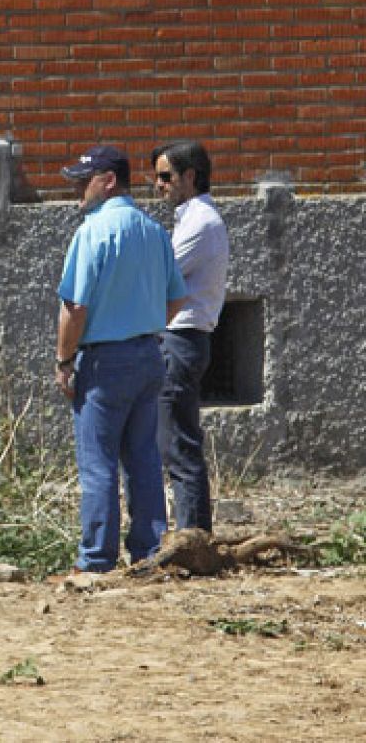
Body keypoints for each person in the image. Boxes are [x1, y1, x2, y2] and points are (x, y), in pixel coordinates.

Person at [54, 146, 187, 574]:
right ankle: (149, 553)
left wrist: (64, 360)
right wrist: (145, 324)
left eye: (84, 181)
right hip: (148, 354)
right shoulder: (153, 231)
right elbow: (177, 297)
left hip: (104, 361)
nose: (77, 189)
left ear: (108, 180)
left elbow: (75, 307)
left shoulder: (92, 232)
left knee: (98, 464)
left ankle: (96, 559)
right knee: (144, 458)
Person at [152, 142, 228, 533]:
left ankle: (194, 539)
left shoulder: (201, 221)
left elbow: (159, 275)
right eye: (156, 177)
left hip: (182, 340)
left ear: (190, 176)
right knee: (175, 443)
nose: (158, 185)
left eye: (166, 177)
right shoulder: (191, 219)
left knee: (180, 446)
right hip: (180, 339)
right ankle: (190, 535)